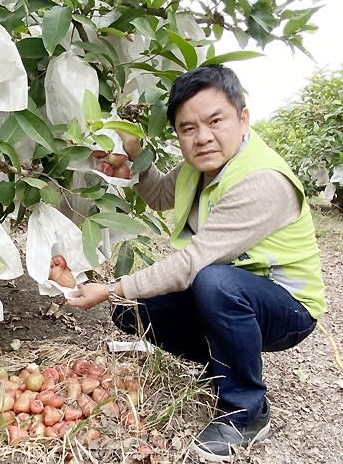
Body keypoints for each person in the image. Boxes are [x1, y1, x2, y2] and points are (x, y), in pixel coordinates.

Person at [68, 65, 326, 462]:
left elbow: (193, 263)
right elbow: (156, 194)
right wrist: (134, 157)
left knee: (211, 282)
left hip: (287, 308)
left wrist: (111, 287)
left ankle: (246, 413)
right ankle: (226, 364)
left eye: (215, 120)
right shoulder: (199, 169)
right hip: (231, 291)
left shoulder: (262, 180)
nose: (202, 136)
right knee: (133, 311)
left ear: (243, 118)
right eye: (188, 128)